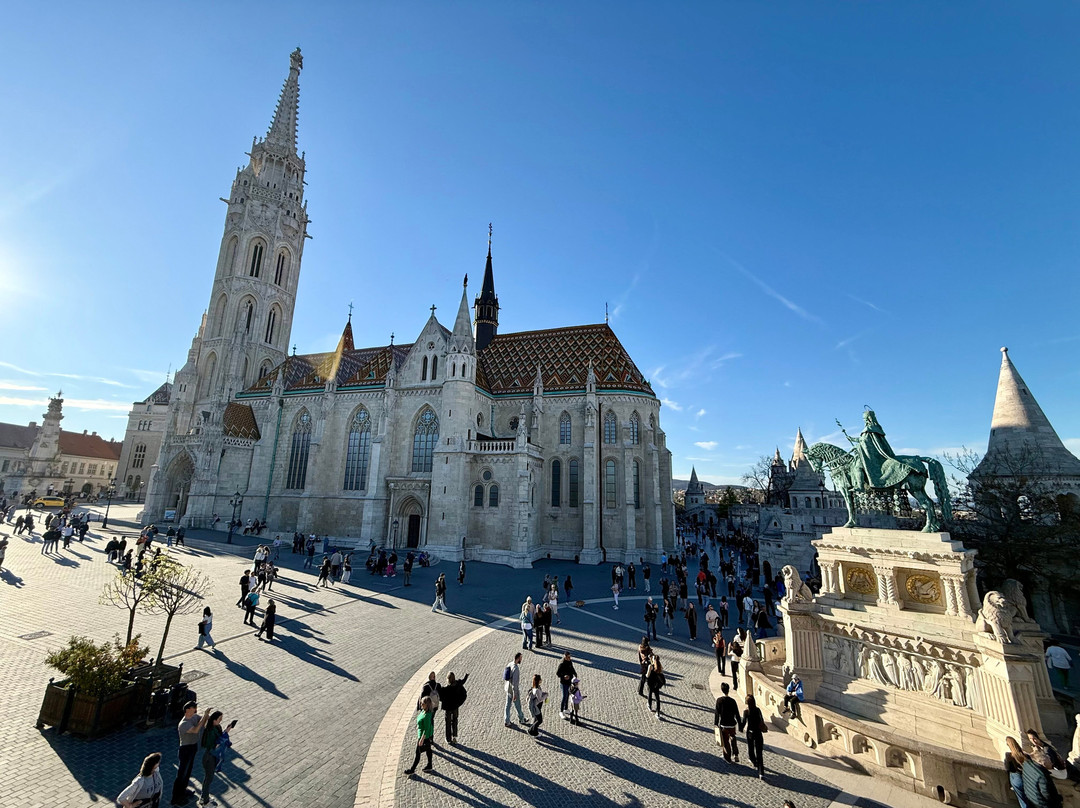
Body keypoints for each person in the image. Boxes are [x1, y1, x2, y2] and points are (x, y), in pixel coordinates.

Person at [172, 701, 211, 805]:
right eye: (194, 707)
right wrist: (205, 716)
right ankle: (176, 798)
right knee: (182, 774)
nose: (195, 709)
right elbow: (196, 730)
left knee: (188, 771)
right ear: (188, 710)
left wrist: (207, 717)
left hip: (193, 747)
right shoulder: (183, 724)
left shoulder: (194, 717)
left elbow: (202, 722)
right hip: (185, 749)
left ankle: (183, 790)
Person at [200, 711, 235, 805]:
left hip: (212, 756)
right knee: (208, 779)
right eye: (219, 719)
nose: (220, 721)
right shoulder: (210, 731)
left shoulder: (216, 727)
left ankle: (204, 797)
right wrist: (224, 735)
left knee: (208, 778)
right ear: (214, 720)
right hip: (210, 757)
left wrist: (226, 731)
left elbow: (220, 738)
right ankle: (205, 801)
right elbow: (216, 744)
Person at [403, 697, 435, 775]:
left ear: (427, 705)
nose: (421, 704)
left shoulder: (427, 716)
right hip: (424, 736)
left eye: (422, 704)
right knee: (428, 750)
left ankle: (412, 769)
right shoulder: (424, 711)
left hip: (424, 737)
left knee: (418, 753)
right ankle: (429, 765)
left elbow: (426, 729)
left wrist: (421, 739)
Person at [739, 693, 767, 779]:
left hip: (750, 732)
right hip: (758, 732)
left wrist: (740, 727)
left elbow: (744, 722)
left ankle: (753, 760)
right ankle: (761, 772)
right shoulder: (757, 710)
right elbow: (761, 720)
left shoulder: (746, 711)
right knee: (759, 752)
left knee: (750, 747)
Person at [438, 671, 469, 744]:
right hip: (455, 707)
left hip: (448, 708)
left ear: (448, 679)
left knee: (448, 723)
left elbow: (440, 697)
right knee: (455, 721)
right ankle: (454, 737)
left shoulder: (445, 689)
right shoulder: (458, 685)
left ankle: (448, 739)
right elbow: (463, 682)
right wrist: (466, 676)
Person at [714, 682, 741, 764]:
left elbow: (717, 713)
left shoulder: (719, 700)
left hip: (724, 724)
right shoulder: (733, 701)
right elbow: (737, 714)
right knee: (733, 737)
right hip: (732, 724)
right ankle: (736, 754)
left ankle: (728, 757)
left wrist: (716, 723)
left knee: (726, 741)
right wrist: (740, 724)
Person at [1004, 736, 1030, 808]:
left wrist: (1010, 784)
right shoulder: (1025, 755)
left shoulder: (1008, 756)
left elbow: (1008, 769)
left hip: (1016, 779)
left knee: (1023, 802)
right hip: (1026, 778)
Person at [504, 652, 528, 727]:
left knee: (507, 705)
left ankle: (507, 721)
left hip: (508, 688)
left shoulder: (510, 664)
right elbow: (515, 683)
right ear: (518, 658)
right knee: (518, 705)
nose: (521, 659)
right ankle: (522, 719)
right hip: (513, 691)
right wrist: (515, 694)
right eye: (521, 658)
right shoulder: (516, 669)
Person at [556, 652, 577, 717]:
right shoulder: (562, 664)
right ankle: (561, 711)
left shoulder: (570, 662)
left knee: (567, 695)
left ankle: (566, 708)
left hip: (569, 682)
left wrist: (575, 674)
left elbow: (572, 668)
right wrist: (564, 676)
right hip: (563, 683)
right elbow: (558, 673)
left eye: (570, 657)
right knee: (564, 697)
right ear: (565, 657)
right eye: (568, 657)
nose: (569, 658)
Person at [646, 654, 665, 720]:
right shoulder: (659, 666)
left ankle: (649, 705)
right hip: (656, 684)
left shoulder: (650, 666)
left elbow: (647, 675)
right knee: (657, 698)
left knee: (650, 694)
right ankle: (658, 712)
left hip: (651, 683)